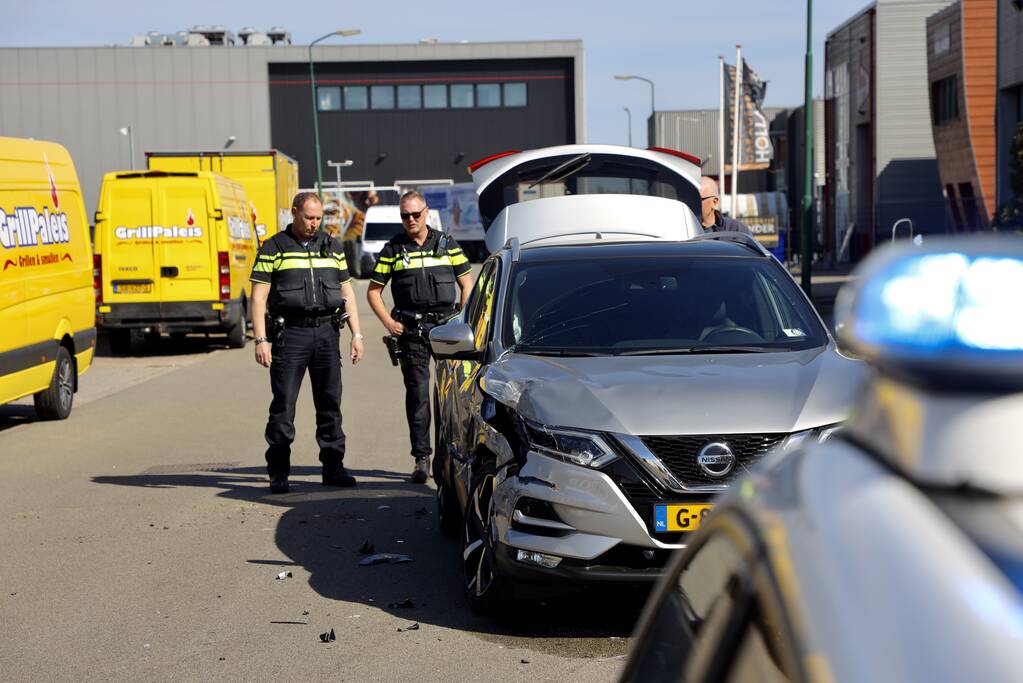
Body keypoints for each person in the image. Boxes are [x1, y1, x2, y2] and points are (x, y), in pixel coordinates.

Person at [250, 192, 365, 494]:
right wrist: (261, 339)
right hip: (291, 336)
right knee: (284, 406)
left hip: (327, 334)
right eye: (308, 217)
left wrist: (356, 333)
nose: (314, 224)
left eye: (318, 218)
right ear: (294, 213)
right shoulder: (274, 247)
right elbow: (259, 296)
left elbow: (346, 292)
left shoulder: (332, 246)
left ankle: (333, 468)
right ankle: (278, 472)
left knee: (330, 405)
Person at [366, 191, 473, 484]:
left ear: (426, 212)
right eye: (405, 215)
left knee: (454, 394)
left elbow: (467, 282)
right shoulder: (393, 249)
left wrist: (462, 314)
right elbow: (373, 291)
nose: (410, 220)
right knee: (418, 396)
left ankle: (455, 454)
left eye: (415, 214)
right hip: (411, 332)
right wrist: (389, 322)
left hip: (446, 330)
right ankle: (421, 458)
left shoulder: (446, 243)